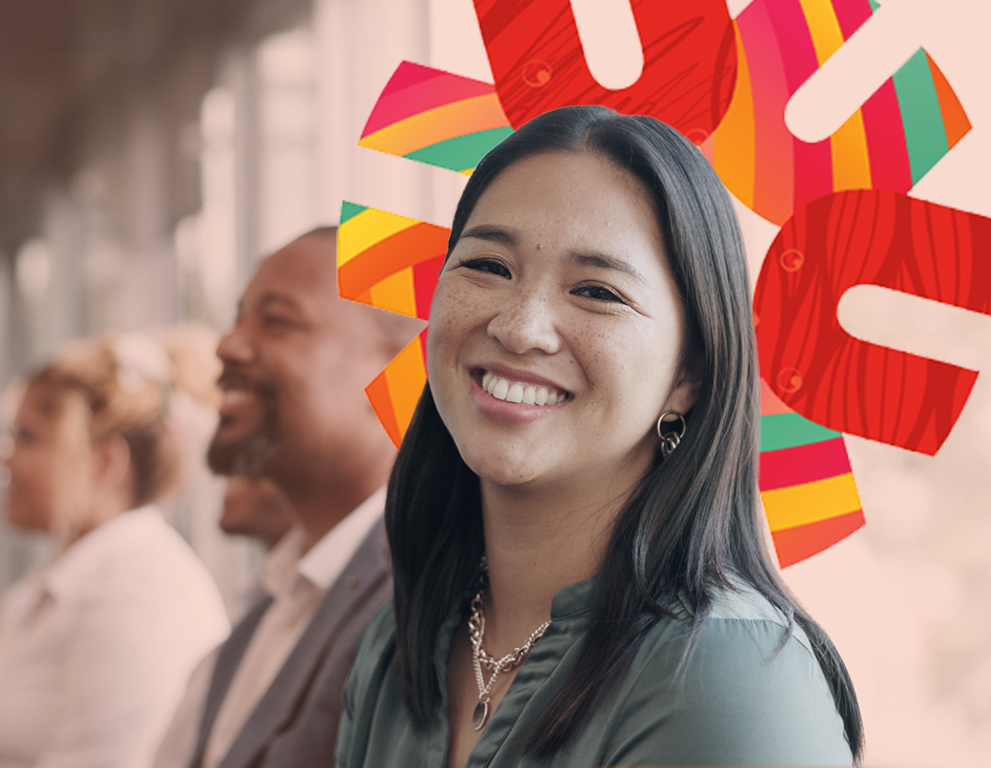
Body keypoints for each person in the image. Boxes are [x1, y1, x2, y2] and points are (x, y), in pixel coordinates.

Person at [335, 106, 864, 767]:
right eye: (488, 266)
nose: (521, 327)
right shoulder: (401, 644)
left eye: (596, 291)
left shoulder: (726, 676)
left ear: (689, 375)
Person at [160, 228, 421, 768]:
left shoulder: (427, 604)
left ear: (400, 371)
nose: (227, 345)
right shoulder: (273, 604)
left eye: (276, 320)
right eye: (238, 318)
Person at [0, 328, 231, 768]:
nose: (3, 458)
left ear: (105, 463)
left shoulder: (140, 596)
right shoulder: (55, 582)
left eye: (27, 437)